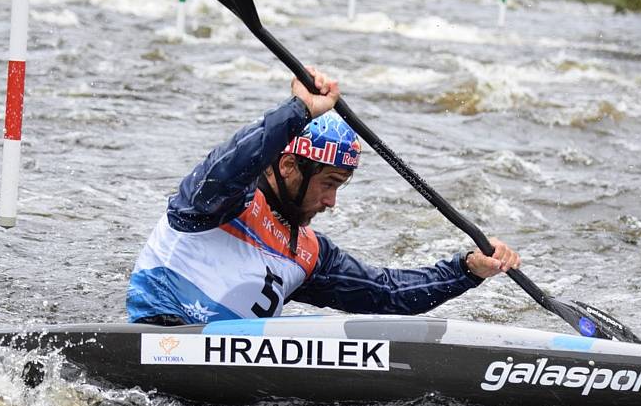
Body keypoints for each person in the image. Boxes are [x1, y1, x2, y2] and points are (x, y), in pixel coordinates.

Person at [127, 68, 521, 325]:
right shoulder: (219, 200)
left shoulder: (308, 251)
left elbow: (387, 292)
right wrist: (298, 110)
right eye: (328, 183)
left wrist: (467, 270)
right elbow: (229, 163)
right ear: (287, 167)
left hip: (227, 382)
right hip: (159, 340)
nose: (331, 202)